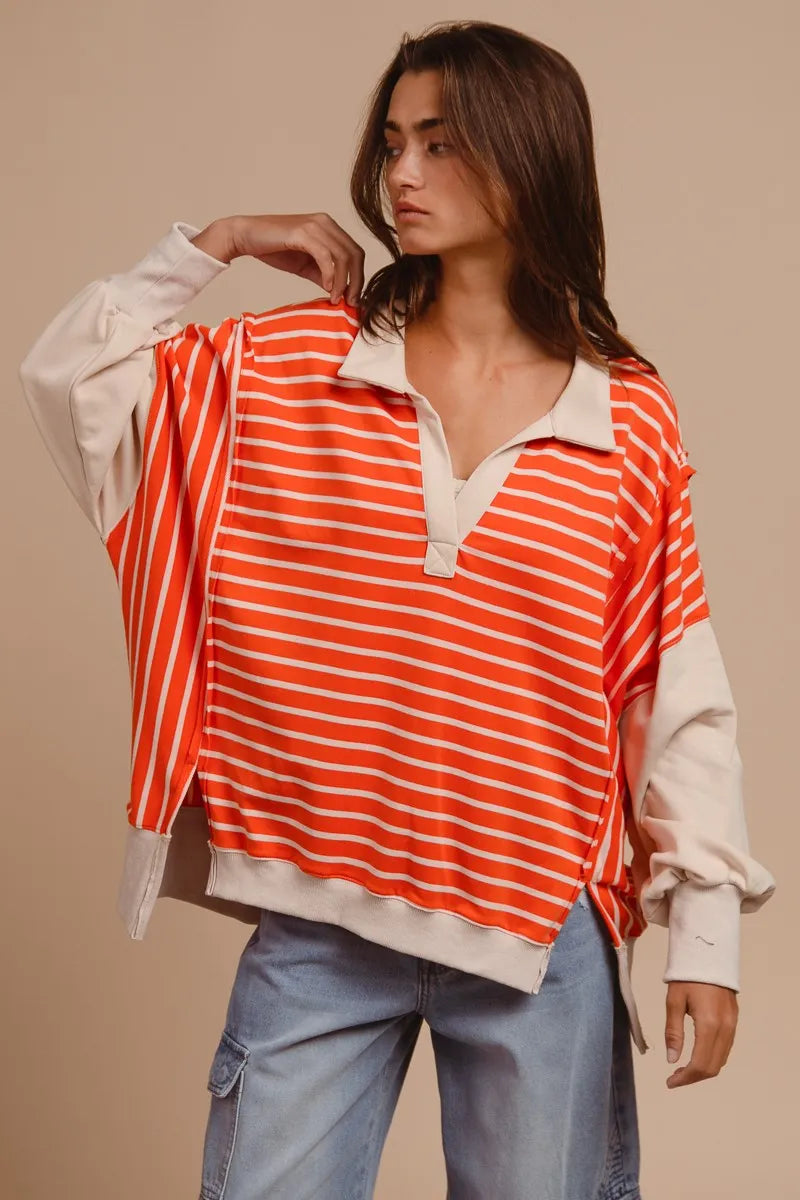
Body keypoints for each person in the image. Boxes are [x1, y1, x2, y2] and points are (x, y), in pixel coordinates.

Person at [18, 19, 776, 1200]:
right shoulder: (292, 369)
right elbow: (71, 379)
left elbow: (670, 686)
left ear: (527, 155)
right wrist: (214, 243)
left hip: (539, 931)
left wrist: (707, 936)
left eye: (438, 142)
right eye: (390, 143)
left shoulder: (624, 419)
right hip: (319, 914)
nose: (399, 176)